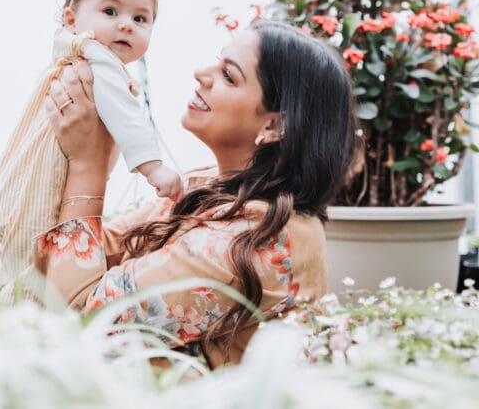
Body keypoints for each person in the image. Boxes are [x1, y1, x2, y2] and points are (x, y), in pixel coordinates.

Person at [33, 21, 357, 367]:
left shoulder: (253, 239)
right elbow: (101, 249)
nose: (201, 73)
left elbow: (76, 322)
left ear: (274, 126)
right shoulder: (211, 186)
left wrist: (89, 165)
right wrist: (108, 132)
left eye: (229, 76)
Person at [0, 0, 183, 301]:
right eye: (110, 12)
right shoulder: (99, 59)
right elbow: (127, 118)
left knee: (16, 259)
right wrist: (153, 167)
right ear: (72, 19)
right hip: (51, 176)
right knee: (38, 260)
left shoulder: (71, 53)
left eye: (140, 19)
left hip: (21, 181)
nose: (126, 26)